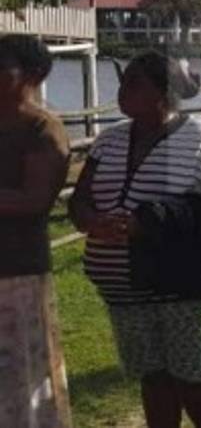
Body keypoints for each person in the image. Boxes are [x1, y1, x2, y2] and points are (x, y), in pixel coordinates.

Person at [69, 51, 201, 428]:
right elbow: (81, 198)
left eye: (134, 83)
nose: (123, 90)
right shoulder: (109, 141)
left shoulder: (199, 133)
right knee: (153, 376)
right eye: (123, 81)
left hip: (180, 282)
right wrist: (92, 222)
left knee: (194, 375)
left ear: (164, 93)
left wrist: (149, 222)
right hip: (123, 290)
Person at [0, 34, 72, 428]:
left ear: (32, 74)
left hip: (16, 271)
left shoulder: (42, 128)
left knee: (21, 376)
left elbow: (33, 200)